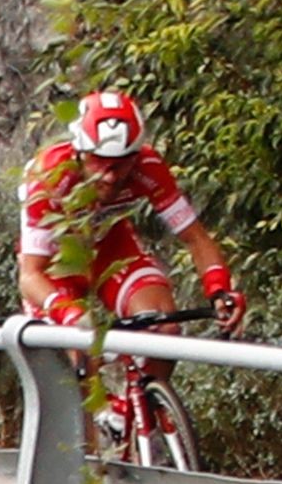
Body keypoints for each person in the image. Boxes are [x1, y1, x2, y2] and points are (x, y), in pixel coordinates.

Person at [16, 88, 241, 336]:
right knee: (76, 349)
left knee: (162, 327)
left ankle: (148, 376)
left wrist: (220, 290)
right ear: (79, 152)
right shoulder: (48, 175)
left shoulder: (148, 167)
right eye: (99, 160)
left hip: (111, 248)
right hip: (57, 263)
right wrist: (65, 312)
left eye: (123, 163)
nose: (111, 176)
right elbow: (31, 275)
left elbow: (195, 238)